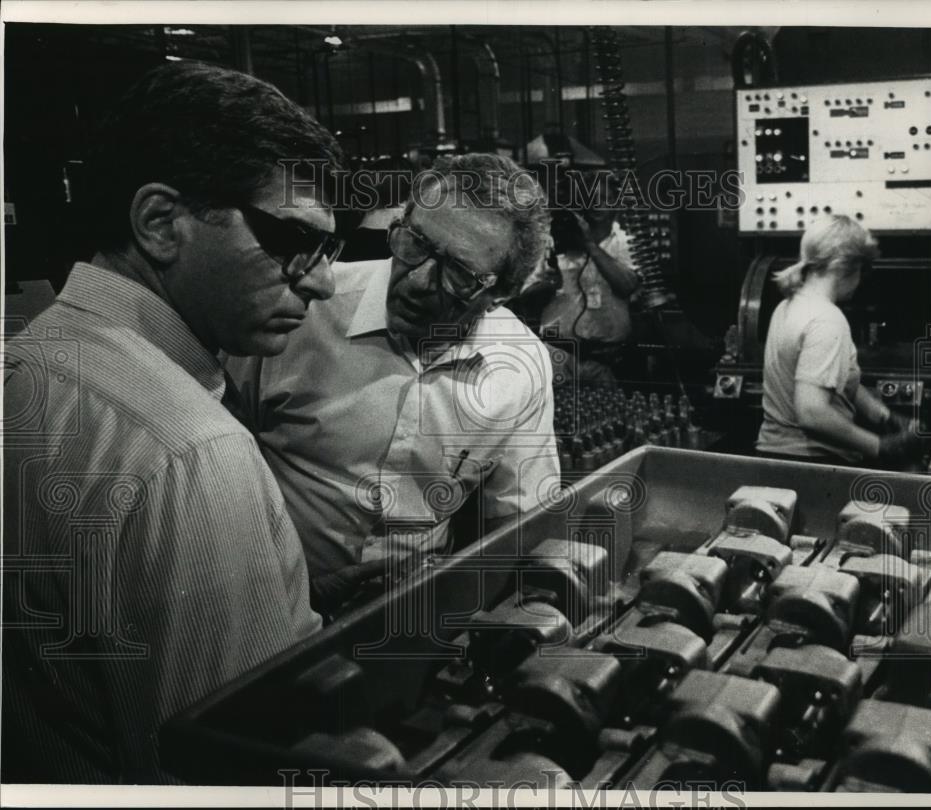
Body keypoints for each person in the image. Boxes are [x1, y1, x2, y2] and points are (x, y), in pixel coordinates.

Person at [2, 62, 345, 783]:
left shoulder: (30, 362)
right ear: (161, 223)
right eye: (291, 241)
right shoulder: (189, 454)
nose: (320, 281)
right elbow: (226, 774)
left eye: (329, 250)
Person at [227, 153, 560, 602]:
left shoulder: (520, 365)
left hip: (416, 615)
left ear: (500, 293)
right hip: (273, 603)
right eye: (416, 244)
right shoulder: (303, 310)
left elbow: (518, 522)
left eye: (458, 273)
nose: (419, 281)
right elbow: (218, 470)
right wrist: (290, 592)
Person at [756, 214, 921, 466]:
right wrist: (881, 447)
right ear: (846, 267)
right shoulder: (827, 320)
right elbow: (812, 413)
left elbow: (843, 383)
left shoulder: (786, 306)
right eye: (861, 270)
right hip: (811, 464)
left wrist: (885, 417)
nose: (861, 281)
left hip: (774, 457)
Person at [522, 169, 641, 387]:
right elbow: (524, 295)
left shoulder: (627, 243)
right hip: (557, 352)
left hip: (606, 357)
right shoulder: (553, 241)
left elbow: (627, 286)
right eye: (592, 199)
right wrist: (548, 284)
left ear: (617, 204)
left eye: (606, 199)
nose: (598, 205)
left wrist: (590, 246)